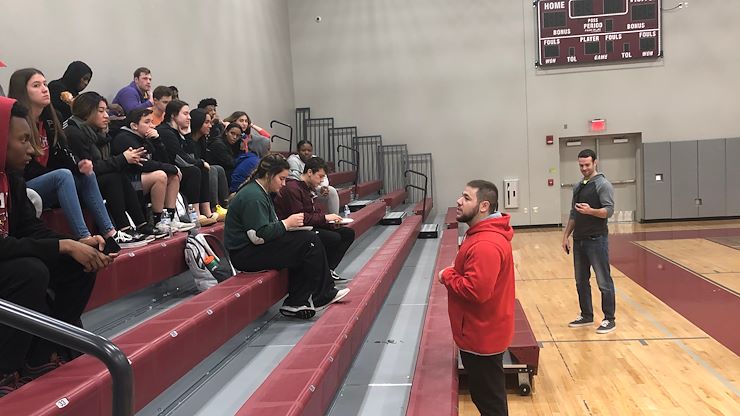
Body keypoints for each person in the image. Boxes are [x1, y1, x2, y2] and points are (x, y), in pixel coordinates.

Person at [0, 96, 114, 397]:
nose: (33, 150)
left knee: (81, 260)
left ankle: (44, 351)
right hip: (9, 263)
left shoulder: (12, 177)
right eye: (24, 140)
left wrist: (77, 243)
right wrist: (61, 245)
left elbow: (30, 228)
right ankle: (4, 370)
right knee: (30, 271)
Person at [8, 68, 140, 246]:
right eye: (36, 85)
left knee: (87, 174)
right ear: (22, 91)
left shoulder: (51, 119)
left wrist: (79, 165)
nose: (45, 89)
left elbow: (63, 152)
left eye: (45, 84)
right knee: (63, 175)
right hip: (23, 186)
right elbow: (24, 168)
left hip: (50, 181)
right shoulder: (15, 123)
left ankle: (110, 233)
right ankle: (84, 237)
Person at [224, 154, 349, 319]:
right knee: (308, 242)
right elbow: (258, 236)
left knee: (308, 240)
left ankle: (297, 302)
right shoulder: (253, 196)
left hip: (252, 248)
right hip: (245, 254)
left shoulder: (261, 192)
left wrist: (287, 227)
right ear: (269, 175)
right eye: (281, 179)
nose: (284, 184)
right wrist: (286, 224)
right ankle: (322, 294)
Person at [439, 180, 515, 416]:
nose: (459, 201)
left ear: (484, 206)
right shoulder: (483, 236)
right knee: (488, 399)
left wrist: (447, 275)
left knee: (490, 404)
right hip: (482, 331)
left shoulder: (485, 244)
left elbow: (476, 291)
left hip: (482, 335)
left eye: (466, 198)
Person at [64, 92, 163, 238]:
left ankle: (141, 224)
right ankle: (123, 228)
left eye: (106, 111)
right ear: (87, 111)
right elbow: (91, 168)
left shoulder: (98, 133)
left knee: (119, 176)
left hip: (99, 179)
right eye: (101, 111)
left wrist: (154, 143)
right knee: (113, 178)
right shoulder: (74, 133)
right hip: (78, 182)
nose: (106, 116)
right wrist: (123, 159)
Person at [561, 149, 616, 334]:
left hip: (597, 239)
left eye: (587, 165)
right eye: (581, 165)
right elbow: (573, 213)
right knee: (581, 280)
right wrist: (566, 235)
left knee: (603, 281)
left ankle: (609, 318)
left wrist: (591, 210)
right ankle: (586, 315)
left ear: (595, 163)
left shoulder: (603, 185)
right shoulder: (578, 186)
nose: (584, 168)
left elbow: (608, 211)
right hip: (579, 240)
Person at [111, 108, 192, 232]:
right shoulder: (124, 138)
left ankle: (170, 218)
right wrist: (169, 167)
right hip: (128, 181)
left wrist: (157, 141)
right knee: (160, 175)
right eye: (147, 122)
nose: (152, 126)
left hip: (141, 177)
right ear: (134, 126)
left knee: (173, 176)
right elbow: (144, 164)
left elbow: (164, 160)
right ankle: (157, 220)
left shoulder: (145, 138)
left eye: (152, 122)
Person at [274, 157, 355, 281]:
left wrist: (331, 223)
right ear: (310, 172)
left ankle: (328, 271)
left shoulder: (306, 188)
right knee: (333, 238)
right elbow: (300, 218)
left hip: (308, 226)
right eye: (320, 176)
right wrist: (325, 218)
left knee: (347, 233)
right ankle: (321, 275)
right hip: (296, 230)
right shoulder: (293, 188)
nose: (322, 181)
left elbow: (312, 212)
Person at [156, 100, 217, 226]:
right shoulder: (165, 132)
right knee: (195, 170)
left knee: (203, 169)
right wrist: (199, 162)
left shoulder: (179, 132)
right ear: (173, 115)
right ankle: (194, 212)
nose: (189, 117)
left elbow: (191, 156)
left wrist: (187, 136)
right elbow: (181, 159)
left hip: (177, 168)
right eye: (185, 113)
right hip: (167, 169)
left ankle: (206, 210)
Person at [189, 108, 228, 218]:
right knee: (211, 170)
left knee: (218, 168)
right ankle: (212, 206)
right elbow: (188, 158)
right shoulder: (188, 139)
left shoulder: (202, 140)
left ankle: (224, 204)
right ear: (197, 122)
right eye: (206, 122)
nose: (210, 126)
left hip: (199, 166)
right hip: (190, 169)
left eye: (210, 122)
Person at [287, 140, 340, 215]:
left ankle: (335, 218)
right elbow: (295, 180)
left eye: (309, 150)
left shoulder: (315, 159)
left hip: (313, 187)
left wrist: (324, 187)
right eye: (303, 150)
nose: (306, 153)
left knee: (330, 191)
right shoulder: (293, 160)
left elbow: (323, 176)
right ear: (298, 151)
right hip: (301, 189)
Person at [206, 122, 241, 190]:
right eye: (232, 133)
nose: (234, 137)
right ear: (226, 132)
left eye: (238, 135)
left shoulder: (232, 144)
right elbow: (231, 163)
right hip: (215, 173)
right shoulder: (218, 144)